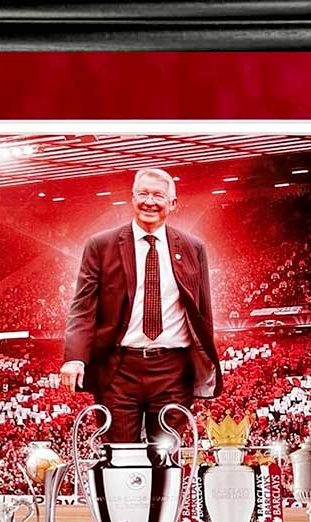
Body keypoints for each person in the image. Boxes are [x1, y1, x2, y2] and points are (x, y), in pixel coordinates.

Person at [59, 168, 222, 444]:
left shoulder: (193, 247)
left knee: (165, 455)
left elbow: (202, 311)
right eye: (142, 194)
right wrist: (75, 357)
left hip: (173, 370)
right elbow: (83, 306)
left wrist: (204, 360)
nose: (149, 202)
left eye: (158, 195)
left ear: (173, 203)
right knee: (119, 456)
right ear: (132, 198)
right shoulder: (101, 245)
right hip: (119, 369)